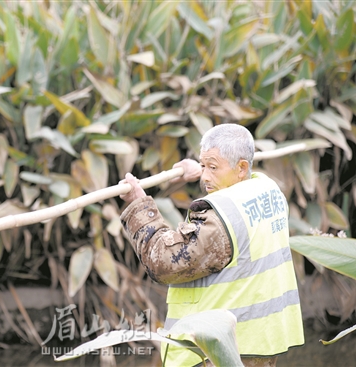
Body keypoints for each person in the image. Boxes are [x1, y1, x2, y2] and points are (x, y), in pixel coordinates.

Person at [119, 123, 304, 367]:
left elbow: (162, 263)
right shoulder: (268, 189)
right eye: (203, 165)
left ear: (242, 167)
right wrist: (200, 170)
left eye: (213, 167)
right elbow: (228, 198)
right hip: (261, 344)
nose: (206, 176)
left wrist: (139, 206)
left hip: (217, 353)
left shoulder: (217, 223)